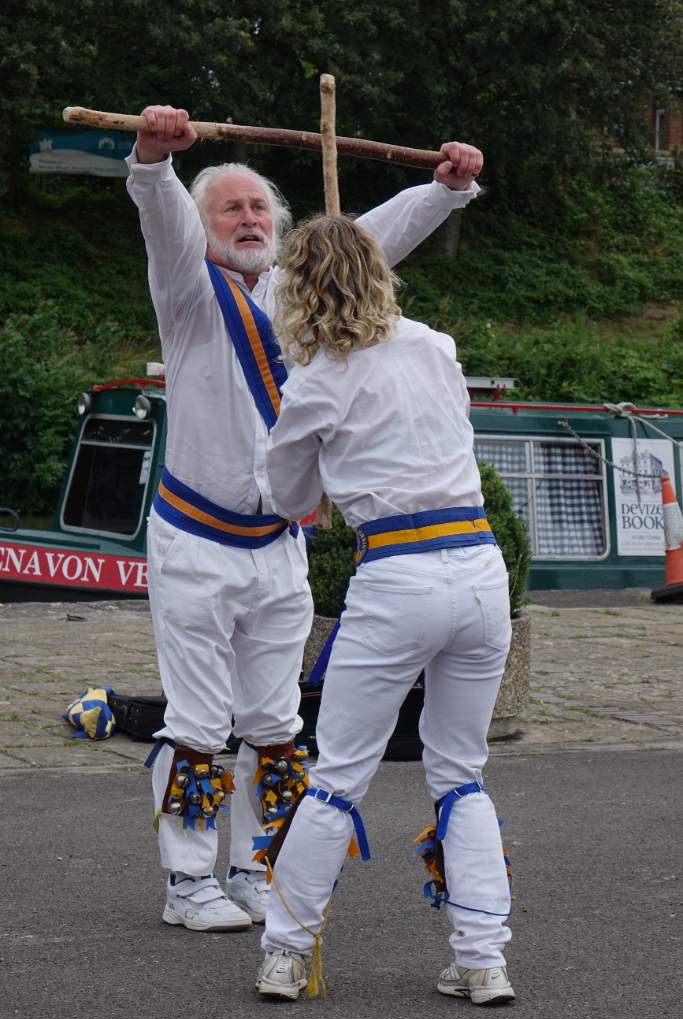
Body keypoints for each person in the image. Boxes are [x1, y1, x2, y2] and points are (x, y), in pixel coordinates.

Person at [125, 104, 484, 934]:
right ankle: (187, 882)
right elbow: (163, 221)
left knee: (277, 723)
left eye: (259, 207)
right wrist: (154, 164)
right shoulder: (186, 291)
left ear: (279, 224)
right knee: (198, 721)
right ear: (203, 226)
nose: (248, 218)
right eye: (229, 209)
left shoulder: (298, 296)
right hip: (196, 543)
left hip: (278, 544)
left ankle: (257, 868)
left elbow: (368, 241)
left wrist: (443, 190)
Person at [256, 215, 514, 1004]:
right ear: (379, 272)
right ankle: (482, 960)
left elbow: (288, 498)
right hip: (480, 568)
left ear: (297, 289)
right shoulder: (435, 347)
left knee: (337, 776)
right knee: (460, 771)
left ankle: (285, 954)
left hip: (396, 575)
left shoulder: (314, 383)